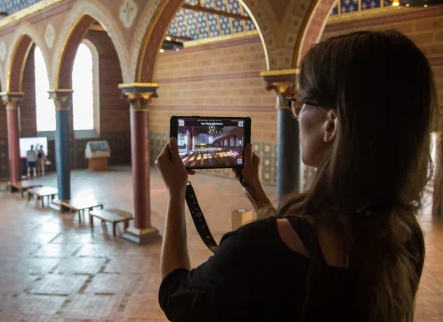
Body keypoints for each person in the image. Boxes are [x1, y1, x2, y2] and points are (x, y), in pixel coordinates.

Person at [155, 31, 437, 322]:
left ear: (331, 124)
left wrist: (177, 192)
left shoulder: (254, 247)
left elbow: (176, 296)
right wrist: (253, 187)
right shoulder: (404, 236)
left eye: (301, 103)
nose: (297, 114)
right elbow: (292, 244)